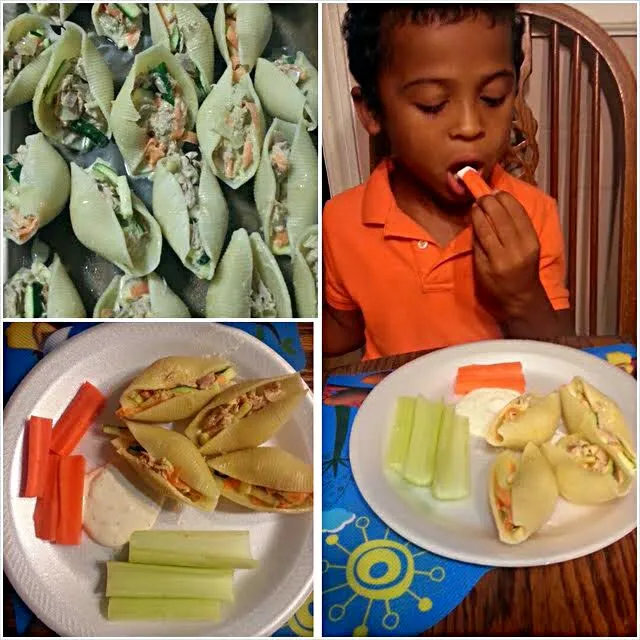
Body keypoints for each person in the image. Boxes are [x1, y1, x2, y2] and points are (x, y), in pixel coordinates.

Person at [323, 4, 573, 361]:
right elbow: (340, 331)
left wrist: (522, 296)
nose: (471, 126)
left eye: (493, 98)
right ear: (373, 112)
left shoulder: (533, 214)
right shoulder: (342, 221)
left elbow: (561, 357)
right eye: (433, 104)